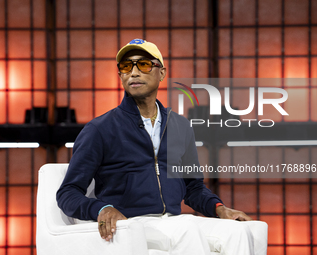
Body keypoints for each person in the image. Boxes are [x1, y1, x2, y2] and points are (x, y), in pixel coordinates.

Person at [57, 39, 254, 255]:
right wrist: (102, 209)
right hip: (131, 224)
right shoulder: (99, 129)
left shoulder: (180, 125)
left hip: (172, 221)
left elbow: (193, 187)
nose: (133, 72)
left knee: (238, 231)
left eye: (143, 65)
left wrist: (219, 208)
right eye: (126, 66)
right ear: (120, 75)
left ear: (162, 73)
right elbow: (68, 193)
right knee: (186, 228)